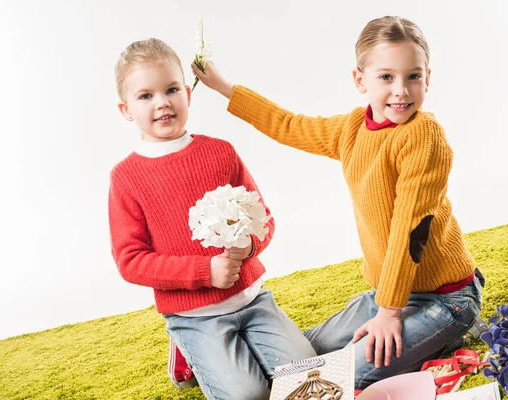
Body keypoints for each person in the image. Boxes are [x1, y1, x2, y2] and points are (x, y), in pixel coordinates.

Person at [192, 16, 486, 390]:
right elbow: (289, 125)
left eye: (413, 76)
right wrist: (224, 88)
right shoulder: (351, 129)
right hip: (389, 295)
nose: (401, 91)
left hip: (445, 299)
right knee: (294, 358)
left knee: (333, 378)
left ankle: (451, 330)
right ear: (359, 80)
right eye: (386, 77)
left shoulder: (424, 137)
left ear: (428, 77)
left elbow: (409, 230)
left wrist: (390, 313)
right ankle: (208, 354)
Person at [108, 37, 316, 400]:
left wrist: (250, 244)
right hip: (194, 318)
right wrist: (204, 272)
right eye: (146, 96)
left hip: (253, 300)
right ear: (126, 110)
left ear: (187, 93)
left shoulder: (220, 152)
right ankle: (188, 351)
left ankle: (245, 350)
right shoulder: (126, 176)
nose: (162, 102)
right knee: (248, 394)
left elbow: (263, 217)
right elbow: (130, 261)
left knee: (307, 376)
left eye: (172, 89)